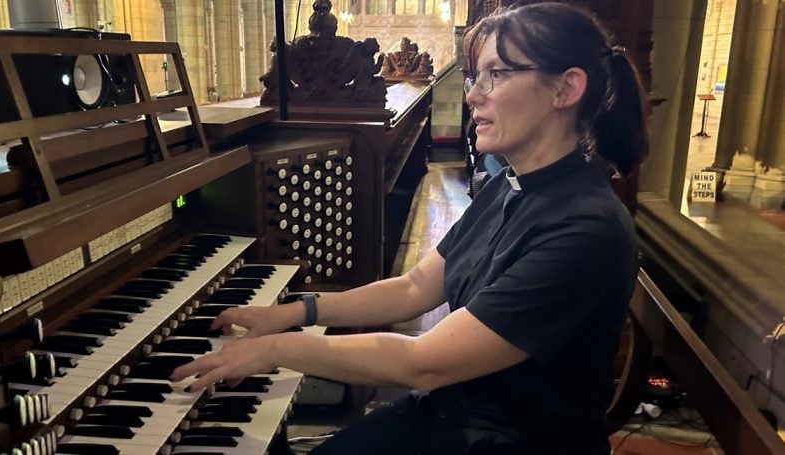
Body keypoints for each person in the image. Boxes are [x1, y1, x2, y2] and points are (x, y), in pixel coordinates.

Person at [171, 2, 648, 453]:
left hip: (513, 440)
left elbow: (423, 362)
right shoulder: (513, 184)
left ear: (565, 89)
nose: (473, 94)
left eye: (497, 74)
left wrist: (274, 350)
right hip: (458, 412)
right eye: (474, 76)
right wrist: (296, 312)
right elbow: (414, 287)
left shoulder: (585, 229)